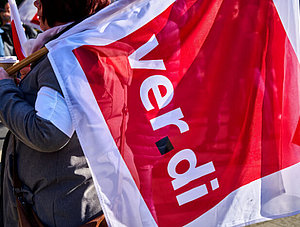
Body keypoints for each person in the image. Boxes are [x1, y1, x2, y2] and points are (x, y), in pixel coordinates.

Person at [0, 0, 110, 226]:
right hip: (71, 201)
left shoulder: (64, 53)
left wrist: (4, 88)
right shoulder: (86, 42)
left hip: (58, 209)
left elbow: (48, 133)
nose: (36, 3)